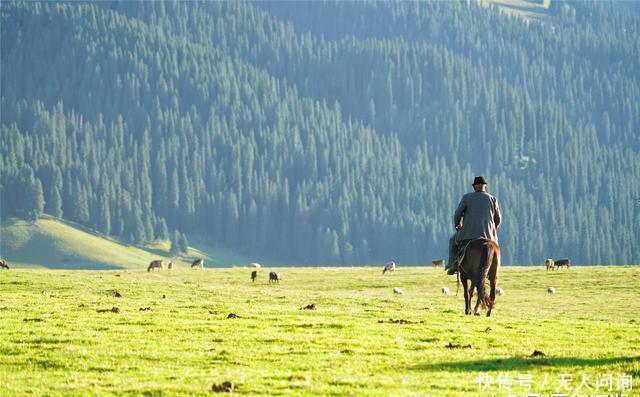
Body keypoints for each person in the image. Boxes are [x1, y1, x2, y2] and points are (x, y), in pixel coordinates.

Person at [446, 176, 501, 275]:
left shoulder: (467, 198)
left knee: (452, 241)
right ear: (485, 187)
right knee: (495, 248)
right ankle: (494, 270)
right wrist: (493, 229)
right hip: (489, 235)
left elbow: (458, 213)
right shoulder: (493, 199)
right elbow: (498, 219)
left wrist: (457, 224)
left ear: (474, 187)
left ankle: (453, 265)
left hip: (468, 234)